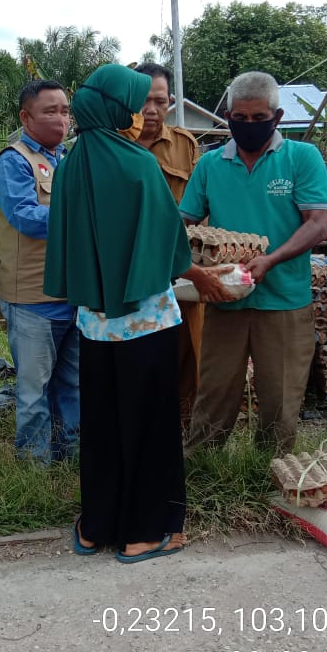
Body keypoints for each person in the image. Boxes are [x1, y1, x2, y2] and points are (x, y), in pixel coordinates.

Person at [44, 64, 221, 563]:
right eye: (135, 103)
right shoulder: (137, 163)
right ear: (114, 107)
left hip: (96, 322)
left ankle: (96, 526)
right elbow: (169, 245)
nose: (142, 112)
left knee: (103, 422)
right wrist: (202, 275)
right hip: (145, 321)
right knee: (150, 423)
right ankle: (146, 530)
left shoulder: (71, 163)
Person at [179, 71, 327, 455]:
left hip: (284, 300)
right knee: (214, 392)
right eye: (240, 118)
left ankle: (270, 472)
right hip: (225, 297)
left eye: (258, 118)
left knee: (280, 400)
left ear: (277, 118)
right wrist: (187, 261)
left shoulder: (301, 158)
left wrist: (271, 260)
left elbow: (317, 223)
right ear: (228, 117)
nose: (248, 125)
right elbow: (184, 221)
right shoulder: (211, 164)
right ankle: (202, 467)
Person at [0, 79, 79, 464]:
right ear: (26, 118)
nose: (61, 119)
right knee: (33, 391)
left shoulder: (69, 158)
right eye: (50, 111)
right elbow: (25, 216)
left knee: (71, 386)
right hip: (31, 298)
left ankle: (70, 459)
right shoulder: (13, 161)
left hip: (72, 296)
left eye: (65, 111)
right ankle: (33, 468)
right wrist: (80, 215)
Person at [131, 62, 203, 428]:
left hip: (180, 272)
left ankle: (182, 432)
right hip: (130, 272)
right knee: (134, 355)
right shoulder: (112, 144)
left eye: (160, 101)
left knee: (185, 352)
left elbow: (200, 210)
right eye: (143, 101)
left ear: (170, 102)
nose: (151, 110)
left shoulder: (184, 146)